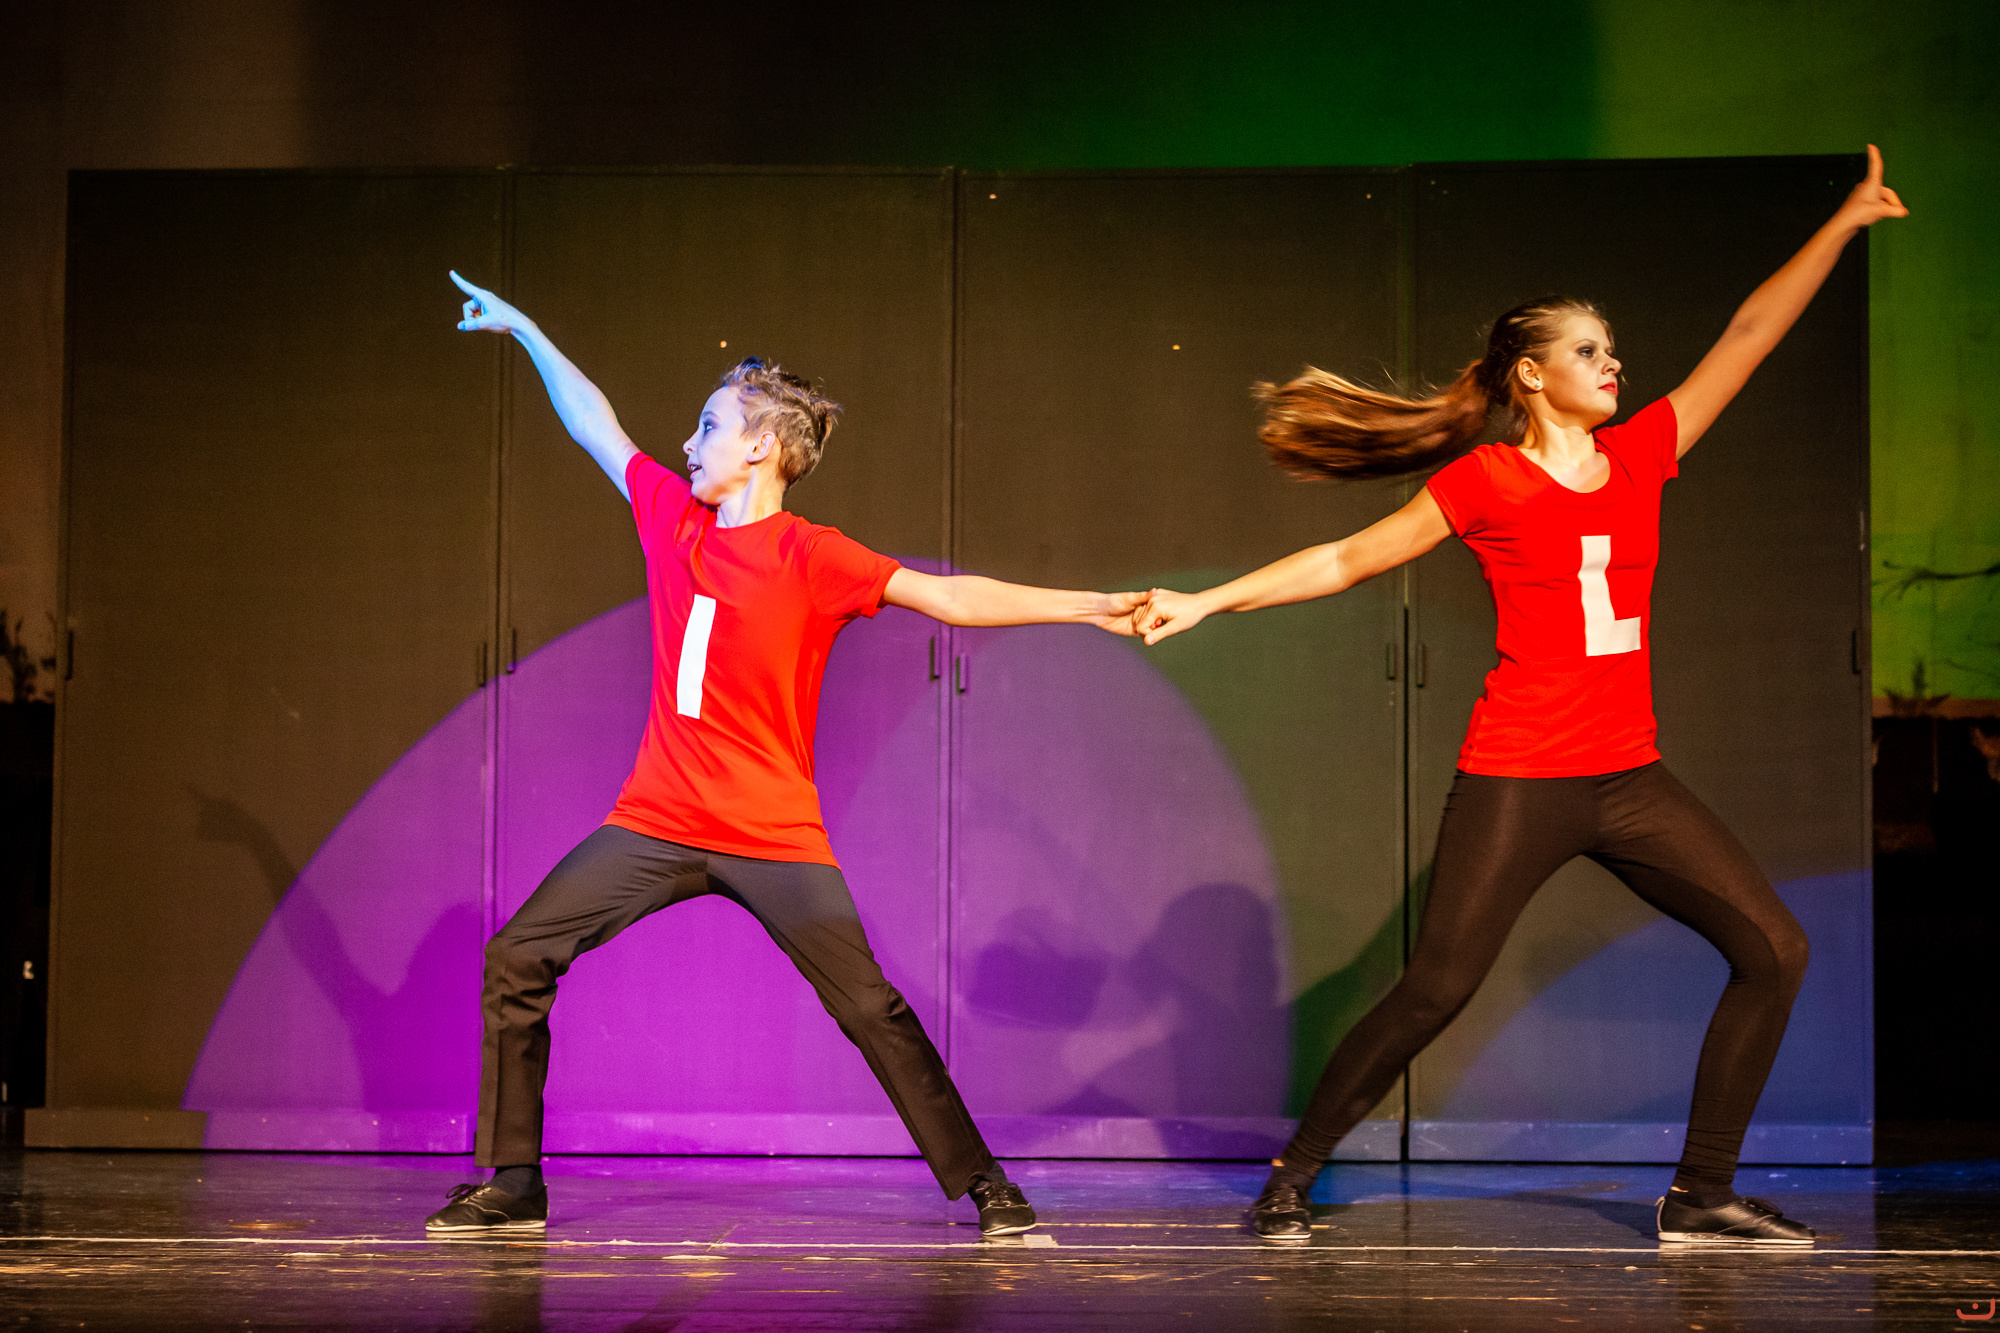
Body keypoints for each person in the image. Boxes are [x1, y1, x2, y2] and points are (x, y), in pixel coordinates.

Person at [1134, 148, 1906, 1246]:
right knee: (1435, 987)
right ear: (1532, 376)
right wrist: (1206, 603)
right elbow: (1346, 560)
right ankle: (1290, 1177)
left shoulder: (1643, 453)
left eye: (1611, 347)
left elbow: (1747, 334)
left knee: (1774, 949)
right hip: (1519, 773)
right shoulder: (1488, 480)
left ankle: (1698, 1194)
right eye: (1587, 349)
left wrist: (1841, 223)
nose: (1613, 361)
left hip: (1628, 775)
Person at [425, 271, 1144, 1237]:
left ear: (760, 445)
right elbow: (596, 422)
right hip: (655, 821)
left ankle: (986, 1184)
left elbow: (951, 598)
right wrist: (527, 330)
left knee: (870, 1008)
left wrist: (1094, 607)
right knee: (519, 954)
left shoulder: (815, 556)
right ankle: (516, 1183)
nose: (688, 443)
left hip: (772, 835)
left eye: (708, 426)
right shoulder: (671, 518)